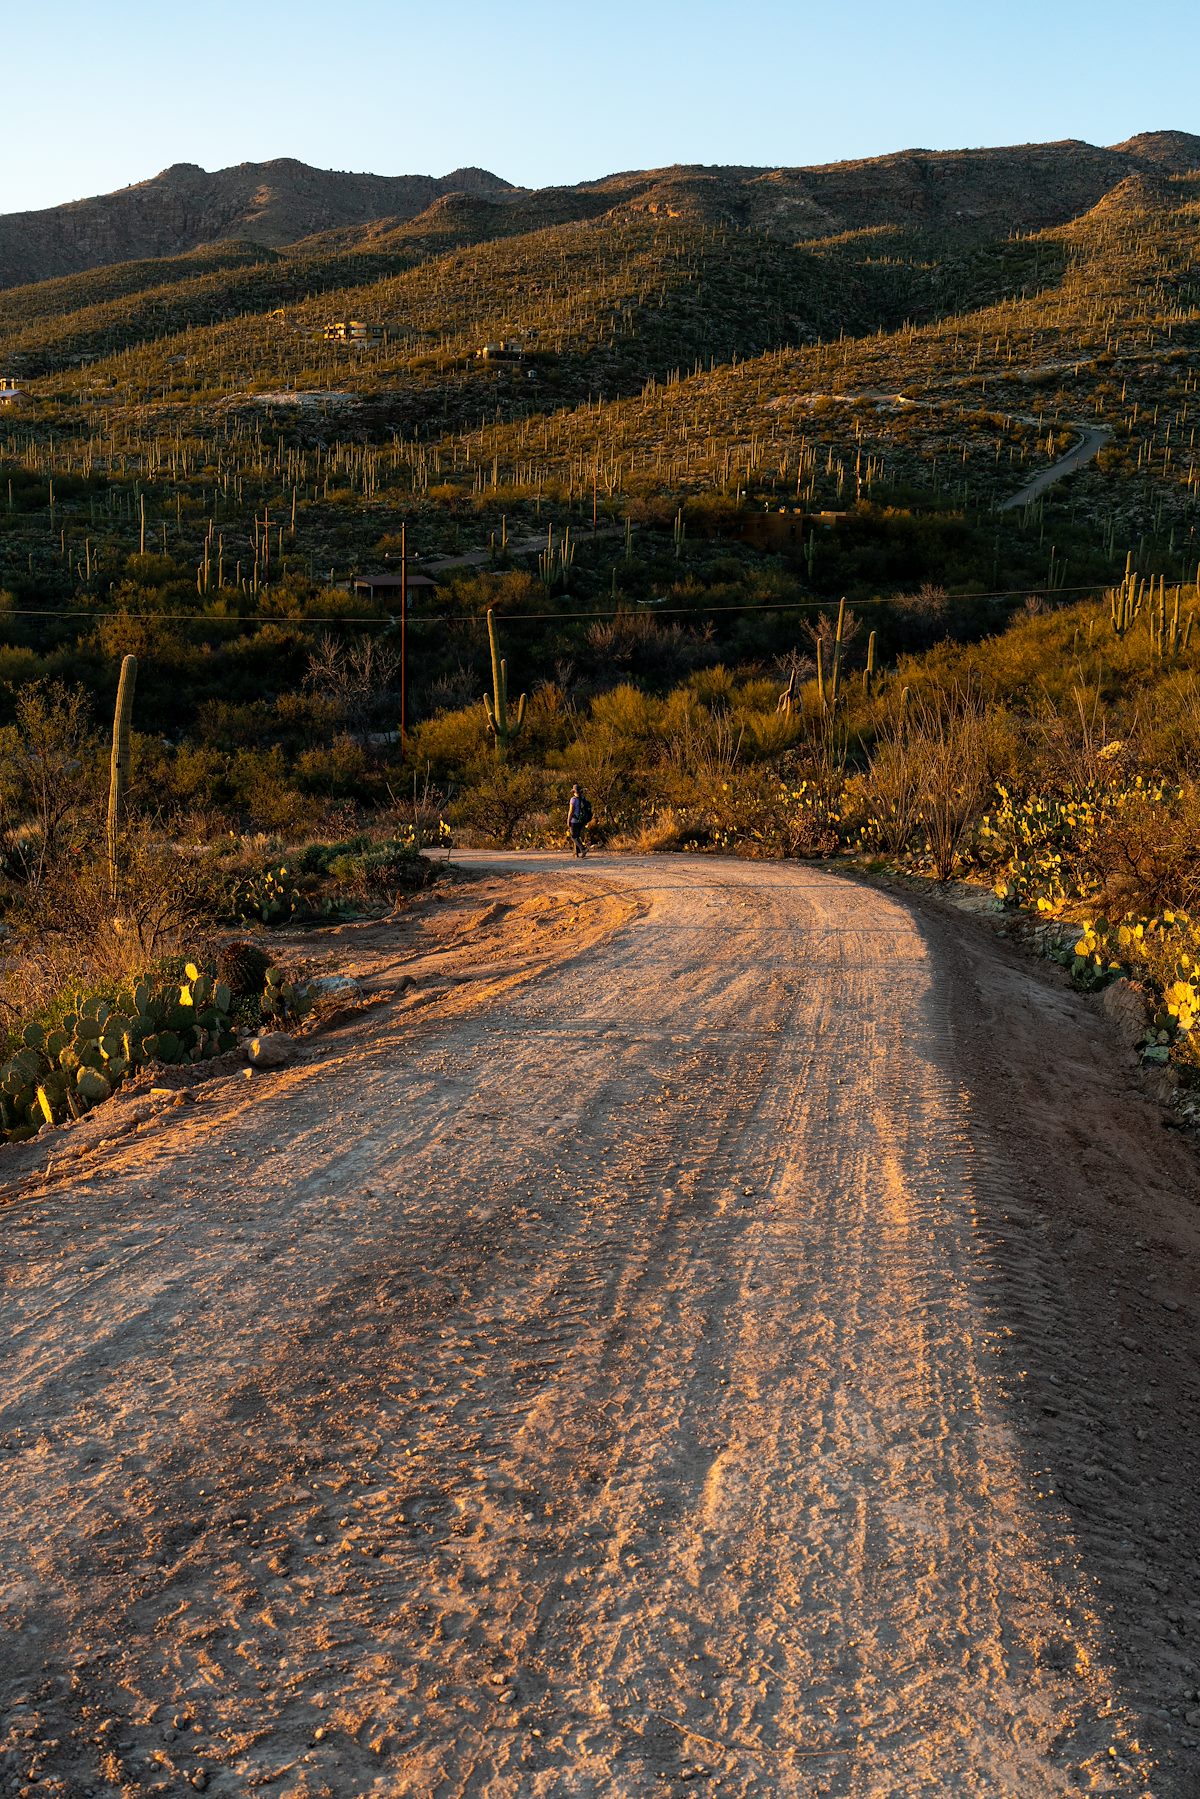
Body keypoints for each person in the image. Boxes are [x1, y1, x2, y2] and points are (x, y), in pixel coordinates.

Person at [567, 784, 593, 857]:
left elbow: (571, 811)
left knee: (573, 837)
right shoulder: (583, 798)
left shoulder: (573, 799)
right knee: (577, 836)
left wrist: (568, 820)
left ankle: (583, 849)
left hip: (574, 820)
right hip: (581, 820)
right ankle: (577, 853)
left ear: (574, 792)